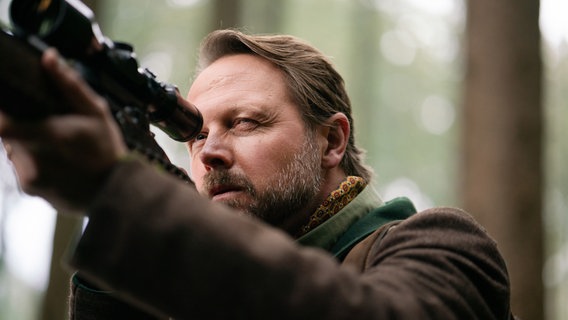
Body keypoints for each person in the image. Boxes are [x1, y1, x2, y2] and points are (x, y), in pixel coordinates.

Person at [0, 29, 513, 319]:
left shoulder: (445, 245)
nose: (210, 153)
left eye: (245, 123)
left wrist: (121, 193)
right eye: (197, 135)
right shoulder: (196, 282)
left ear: (331, 141)